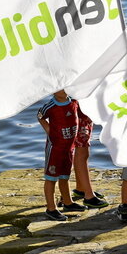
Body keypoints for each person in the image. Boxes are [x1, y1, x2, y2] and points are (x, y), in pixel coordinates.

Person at [37, 90, 88, 221]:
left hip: (69, 147)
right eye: (61, 87)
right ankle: (51, 208)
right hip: (55, 148)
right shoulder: (51, 106)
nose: (64, 90)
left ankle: (68, 202)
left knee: (65, 175)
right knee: (51, 177)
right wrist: (49, 130)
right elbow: (39, 115)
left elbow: (82, 114)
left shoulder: (74, 101)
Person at [70, 112, 109, 208]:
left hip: (79, 111)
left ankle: (81, 188)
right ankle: (88, 195)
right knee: (82, 150)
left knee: (81, 149)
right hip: (78, 110)